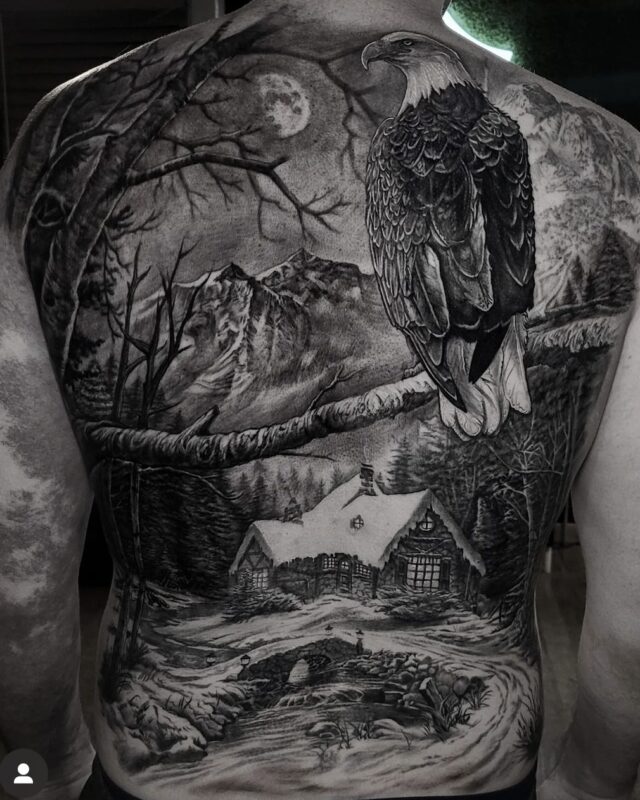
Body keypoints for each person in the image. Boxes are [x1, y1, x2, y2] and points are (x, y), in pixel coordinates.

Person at [0, 0, 638, 798]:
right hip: (472, 780)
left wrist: (44, 763)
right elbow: (635, 608)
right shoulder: (618, 158)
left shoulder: (66, 131)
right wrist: (593, 781)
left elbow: (17, 567)